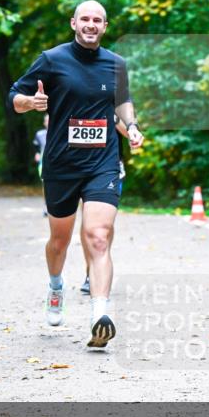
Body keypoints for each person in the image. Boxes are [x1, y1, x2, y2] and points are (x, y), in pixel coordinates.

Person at [8, 0, 144, 348]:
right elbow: (15, 96)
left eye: (97, 20)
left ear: (104, 26)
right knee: (60, 240)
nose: (91, 24)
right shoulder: (52, 60)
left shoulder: (116, 64)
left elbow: (122, 100)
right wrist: (31, 103)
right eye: (85, 18)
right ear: (73, 23)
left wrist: (131, 126)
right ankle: (56, 286)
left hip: (102, 163)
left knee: (99, 235)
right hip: (61, 165)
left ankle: (101, 313)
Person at [81, 117, 129, 295]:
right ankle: (89, 271)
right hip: (79, 164)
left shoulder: (118, 97)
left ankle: (99, 264)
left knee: (104, 225)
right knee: (87, 220)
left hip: (110, 166)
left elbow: (128, 131)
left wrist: (111, 115)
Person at [34, 115, 49, 216]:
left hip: (59, 163)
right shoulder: (39, 134)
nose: (48, 122)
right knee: (45, 184)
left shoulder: (62, 132)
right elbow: (36, 147)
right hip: (44, 163)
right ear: (44, 123)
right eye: (47, 120)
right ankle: (46, 206)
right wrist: (37, 154)